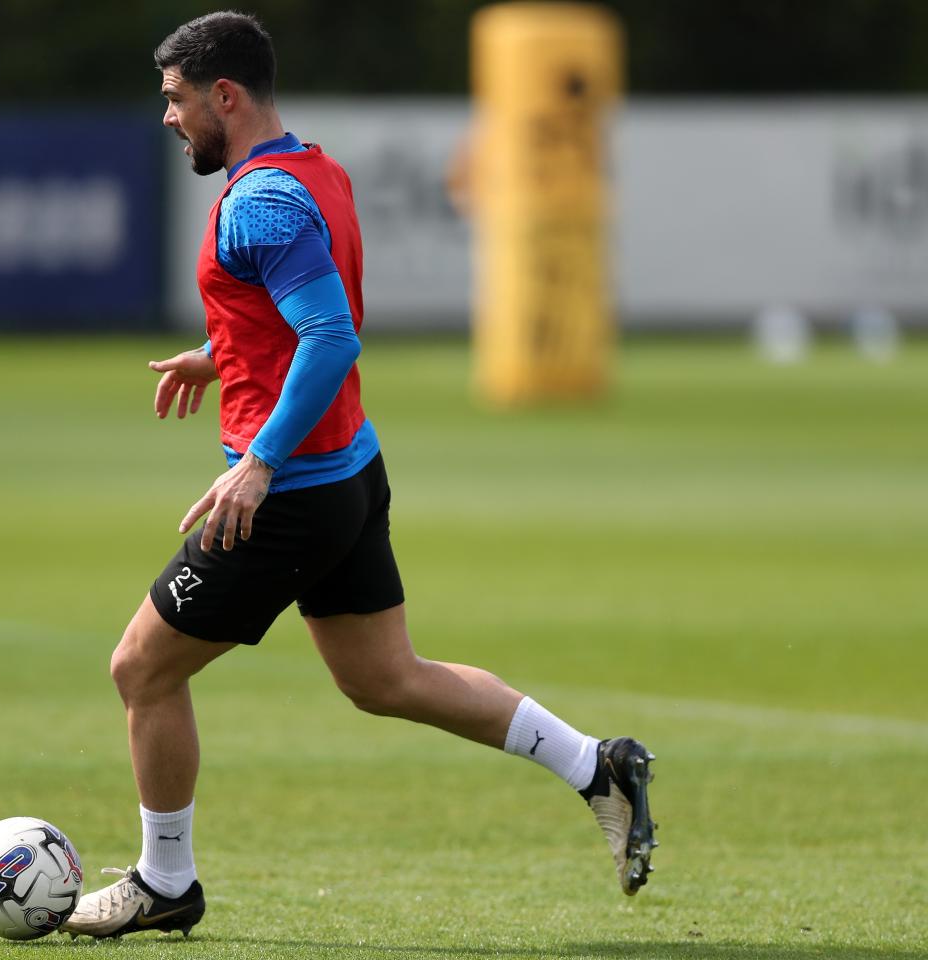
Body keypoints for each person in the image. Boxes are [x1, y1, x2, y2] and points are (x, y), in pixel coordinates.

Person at [63, 11, 656, 940]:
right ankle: (597, 766)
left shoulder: (259, 201)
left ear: (226, 94)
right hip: (349, 474)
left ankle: (163, 880)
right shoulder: (316, 169)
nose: (169, 119)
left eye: (177, 100)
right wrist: (221, 355)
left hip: (290, 496)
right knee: (387, 679)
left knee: (140, 669)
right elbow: (300, 315)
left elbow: (332, 336)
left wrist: (258, 463)